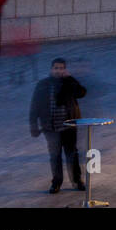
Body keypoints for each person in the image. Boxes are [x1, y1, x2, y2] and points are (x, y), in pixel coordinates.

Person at [28, 57, 87, 194]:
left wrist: (70, 79)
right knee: (55, 156)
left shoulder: (69, 83)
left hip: (69, 127)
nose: (59, 71)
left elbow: (82, 93)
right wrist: (33, 125)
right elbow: (34, 105)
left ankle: (77, 181)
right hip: (51, 128)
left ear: (65, 69)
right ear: (51, 69)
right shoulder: (43, 84)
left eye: (61, 68)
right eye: (56, 68)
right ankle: (56, 182)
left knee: (72, 154)